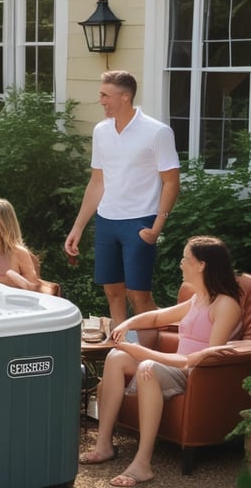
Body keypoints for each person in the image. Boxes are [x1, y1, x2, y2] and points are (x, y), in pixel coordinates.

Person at [78, 236, 242, 487]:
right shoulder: (198, 298)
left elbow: (203, 358)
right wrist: (128, 323)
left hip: (195, 374)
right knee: (116, 357)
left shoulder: (225, 305)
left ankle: (142, 464)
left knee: (147, 366)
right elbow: (156, 318)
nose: (180, 264)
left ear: (202, 265)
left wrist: (146, 354)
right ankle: (103, 445)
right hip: (173, 366)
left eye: (185, 259)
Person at [65, 70, 180, 328]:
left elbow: (171, 182)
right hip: (107, 221)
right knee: (113, 292)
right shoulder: (101, 131)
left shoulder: (157, 132)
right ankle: (122, 348)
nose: (101, 100)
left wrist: (157, 227)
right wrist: (78, 227)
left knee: (139, 296)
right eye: (100, 94)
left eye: (105, 95)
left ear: (125, 97)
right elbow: (97, 182)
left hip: (140, 221)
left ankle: (158, 349)